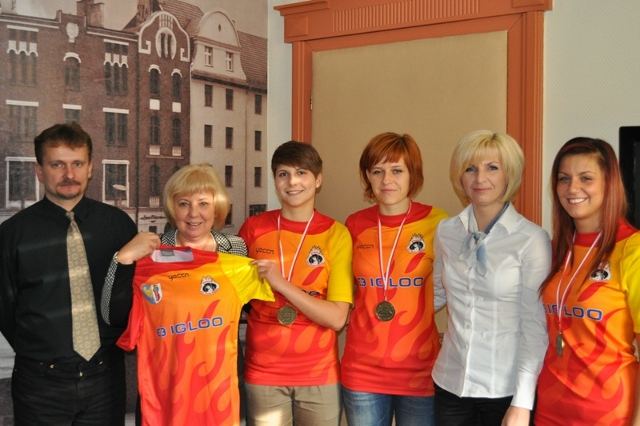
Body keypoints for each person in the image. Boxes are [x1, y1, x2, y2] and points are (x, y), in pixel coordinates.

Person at [101, 163, 269, 426]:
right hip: (165, 385)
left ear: (217, 208)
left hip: (219, 383)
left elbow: (256, 309)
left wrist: (272, 279)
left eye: (203, 203)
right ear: (172, 208)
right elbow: (113, 316)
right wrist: (121, 260)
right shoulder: (150, 254)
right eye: (183, 204)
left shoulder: (234, 250)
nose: (193, 213)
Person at [0, 123, 138, 425]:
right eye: (57, 164)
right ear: (40, 171)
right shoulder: (11, 235)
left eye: (77, 163)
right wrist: (44, 351)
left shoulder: (119, 226)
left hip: (105, 380)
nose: (69, 174)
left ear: (90, 168)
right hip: (40, 385)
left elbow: (131, 297)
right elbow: (6, 310)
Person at [432, 130, 550, 426]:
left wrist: (522, 402)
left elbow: (535, 326)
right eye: (470, 169)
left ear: (509, 174)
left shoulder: (531, 239)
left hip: (505, 390)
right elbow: (435, 294)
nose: (479, 178)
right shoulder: (446, 231)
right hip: (451, 383)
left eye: (492, 167)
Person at [238, 141, 353, 426]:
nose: (292, 182)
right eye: (283, 174)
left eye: (301, 172)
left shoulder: (336, 234)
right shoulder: (253, 228)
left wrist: (280, 283)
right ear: (275, 180)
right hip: (263, 372)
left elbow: (337, 318)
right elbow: (235, 296)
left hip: (319, 374)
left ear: (318, 180)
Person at [340, 132, 448, 426]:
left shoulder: (438, 223)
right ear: (367, 176)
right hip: (362, 370)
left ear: (413, 174)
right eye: (378, 171)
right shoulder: (354, 224)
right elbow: (343, 290)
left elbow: (447, 289)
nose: (387, 180)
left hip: (421, 370)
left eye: (397, 170)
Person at [535, 138, 640, 425]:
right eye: (564, 178)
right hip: (549, 410)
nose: (572, 189)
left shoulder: (632, 250)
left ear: (609, 183)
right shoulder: (555, 249)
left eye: (586, 178)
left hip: (609, 414)